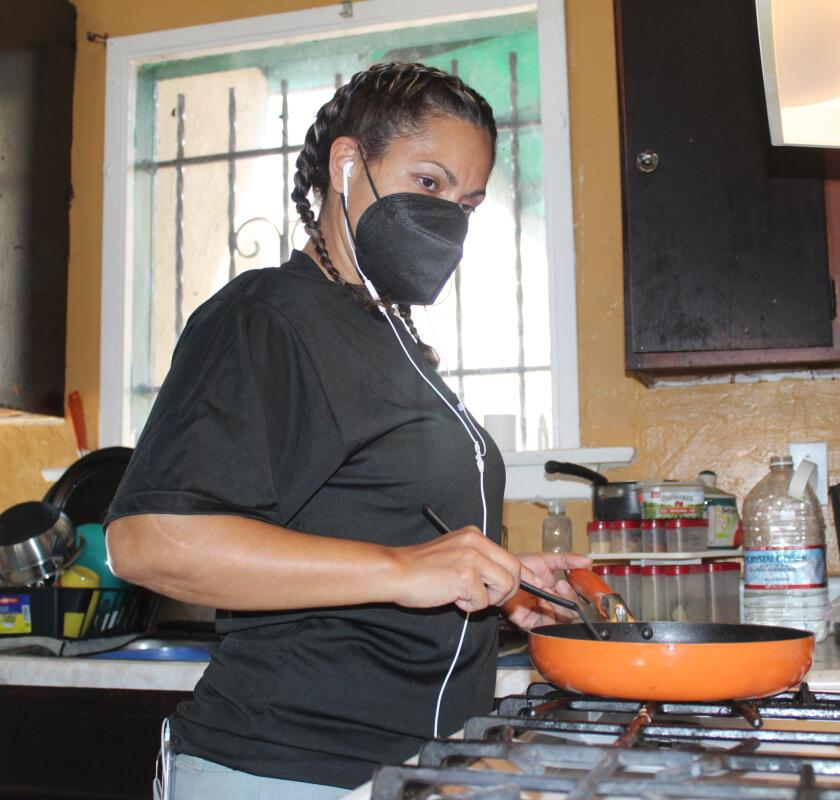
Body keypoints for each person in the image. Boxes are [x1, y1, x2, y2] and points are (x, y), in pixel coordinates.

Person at [104, 62, 589, 799]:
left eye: (469, 201)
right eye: (428, 183)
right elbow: (147, 540)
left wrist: (497, 581)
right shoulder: (266, 314)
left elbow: (372, 519)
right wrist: (402, 570)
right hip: (282, 769)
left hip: (399, 771)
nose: (448, 217)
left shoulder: (387, 335)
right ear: (347, 163)